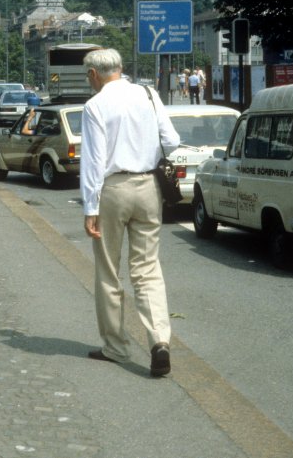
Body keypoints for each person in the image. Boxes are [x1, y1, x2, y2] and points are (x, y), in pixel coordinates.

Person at [80, 48, 180, 378]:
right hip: (149, 187)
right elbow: (172, 140)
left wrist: (90, 207)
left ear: (94, 75)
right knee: (148, 268)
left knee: (109, 270)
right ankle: (159, 341)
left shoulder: (95, 105)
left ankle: (116, 347)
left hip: (113, 190)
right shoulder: (148, 94)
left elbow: (93, 161)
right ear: (120, 69)